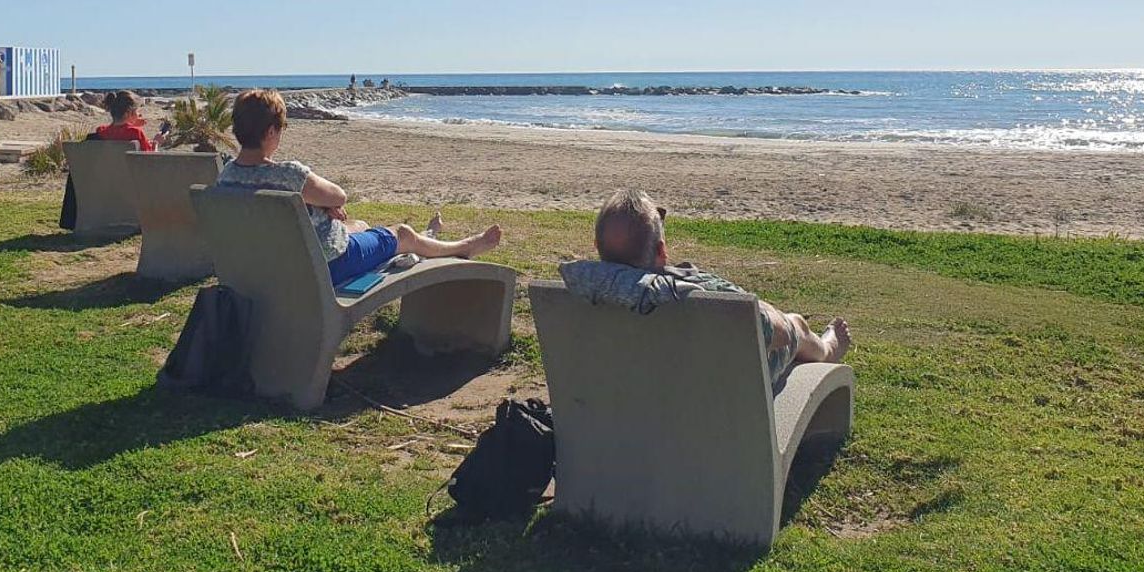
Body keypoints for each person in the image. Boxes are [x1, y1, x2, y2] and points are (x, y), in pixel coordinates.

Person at [215, 89, 502, 286]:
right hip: (321, 269)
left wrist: (321, 207)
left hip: (266, 268)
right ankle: (464, 246)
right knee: (401, 233)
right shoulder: (289, 175)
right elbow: (339, 194)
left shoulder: (226, 177)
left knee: (359, 223)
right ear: (270, 132)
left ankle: (430, 236)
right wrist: (327, 203)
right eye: (281, 129)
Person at [571, 189, 850, 384]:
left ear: (597, 247)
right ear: (661, 251)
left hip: (634, 394)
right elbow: (778, 334)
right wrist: (774, 315)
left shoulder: (578, 292)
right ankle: (827, 348)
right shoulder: (693, 299)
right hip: (715, 400)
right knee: (795, 326)